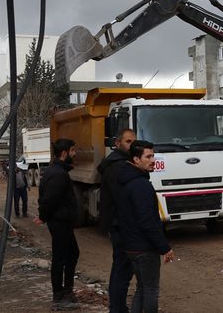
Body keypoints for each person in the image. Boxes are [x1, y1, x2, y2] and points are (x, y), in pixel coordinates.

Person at [117, 140, 175, 313]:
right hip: (144, 248)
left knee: (142, 288)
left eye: (153, 156)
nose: (152, 160)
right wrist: (164, 247)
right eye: (148, 157)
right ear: (136, 159)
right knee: (150, 290)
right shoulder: (140, 185)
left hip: (132, 246)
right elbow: (147, 221)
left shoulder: (128, 181)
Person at [35, 138, 80, 311]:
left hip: (63, 222)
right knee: (61, 258)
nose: (75, 154)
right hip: (60, 222)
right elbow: (48, 199)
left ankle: (67, 291)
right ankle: (59, 296)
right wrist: (42, 216)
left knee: (72, 253)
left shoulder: (57, 171)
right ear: (64, 153)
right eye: (73, 151)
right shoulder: (58, 174)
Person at [98, 129, 136, 313]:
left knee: (121, 267)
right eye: (128, 141)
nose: (132, 145)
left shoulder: (118, 163)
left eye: (134, 141)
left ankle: (117, 306)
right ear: (118, 143)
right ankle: (118, 308)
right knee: (123, 269)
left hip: (118, 224)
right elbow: (123, 199)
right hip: (121, 225)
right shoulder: (118, 166)